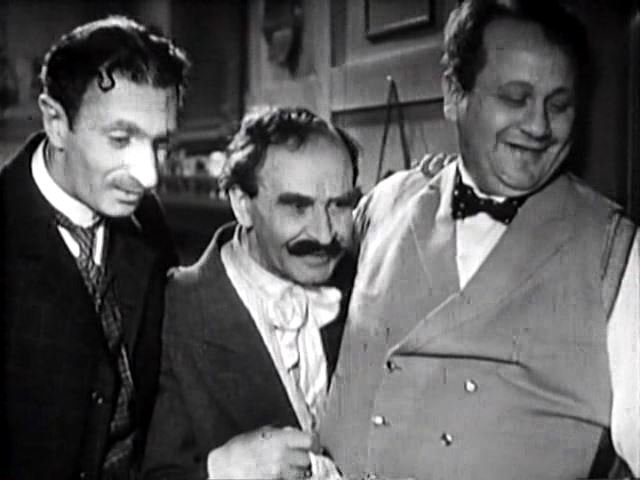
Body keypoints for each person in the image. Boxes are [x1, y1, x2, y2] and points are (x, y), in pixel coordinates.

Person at [318, 1, 640, 479]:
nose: (538, 126)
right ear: (453, 93)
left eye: (558, 105)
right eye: (515, 98)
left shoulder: (618, 254)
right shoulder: (384, 204)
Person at [0, 16, 189, 479]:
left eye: (159, 143)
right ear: (56, 122)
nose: (148, 176)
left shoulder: (147, 222)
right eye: (120, 139)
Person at [142, 106, 359, 480]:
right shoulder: (172, 311)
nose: (324, 235)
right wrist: (221, 471)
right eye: (298, 207)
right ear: (242, 205)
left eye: (339, 205)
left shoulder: (363, 285)